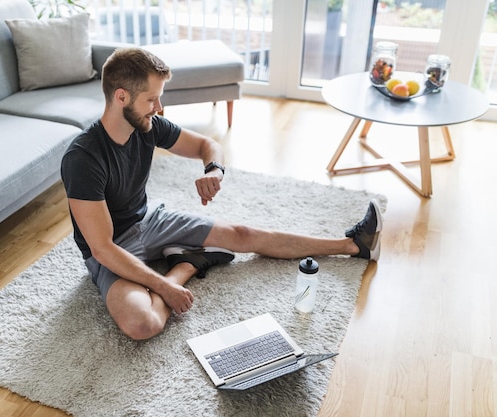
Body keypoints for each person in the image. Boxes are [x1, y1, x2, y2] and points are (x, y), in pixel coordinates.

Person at [60, 47, 383, 341]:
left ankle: (352, 244)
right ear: (121, 97)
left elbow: (206, 145)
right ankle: (185, 265)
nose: (160, 107)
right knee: (142, 324)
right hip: (113, 248)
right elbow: (102, 249)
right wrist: (165, 286)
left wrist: (214, 169)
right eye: (151, 99)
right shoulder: (84, 159)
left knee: (243, 234)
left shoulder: (149, 125)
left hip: (150, 220)